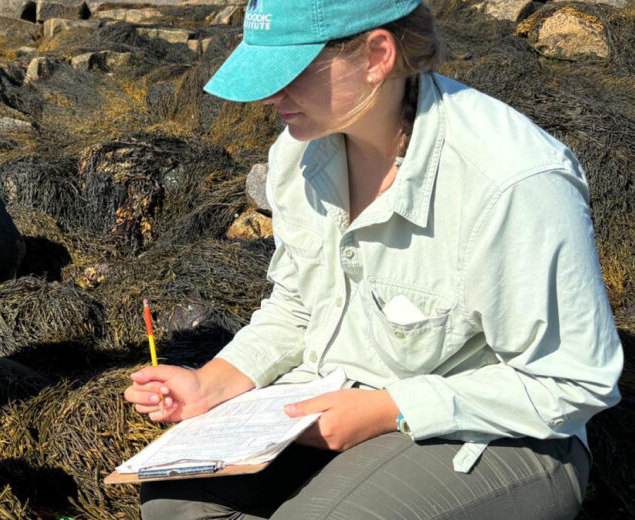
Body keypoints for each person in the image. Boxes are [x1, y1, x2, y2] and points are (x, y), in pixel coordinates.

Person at [123, 0, 623, 518]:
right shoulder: (297, 153)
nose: (270, 96)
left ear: (376, 55)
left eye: (290, 72)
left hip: (498, 427)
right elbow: (298, 304)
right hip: (333, 392)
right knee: (175, 503)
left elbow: (572, 381)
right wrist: (214, 381)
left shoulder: (512, 180)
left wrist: (391, 409)